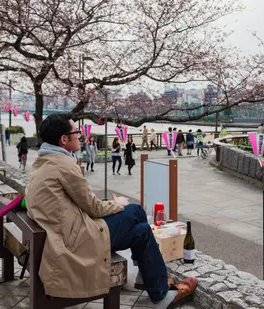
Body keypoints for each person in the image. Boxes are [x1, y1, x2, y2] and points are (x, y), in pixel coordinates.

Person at [26, 113, 197, 308]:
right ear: (63, 139)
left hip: (66, 233)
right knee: (135, 210)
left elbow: (83, 204)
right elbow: (94, 207)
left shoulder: (43, 162)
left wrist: (111, 205)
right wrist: (118, 204)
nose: (80, 136)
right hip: (78, 240)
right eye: (76, 132)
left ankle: (152, 282)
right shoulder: (64, 165)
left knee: (142, 231)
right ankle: (154, 285)